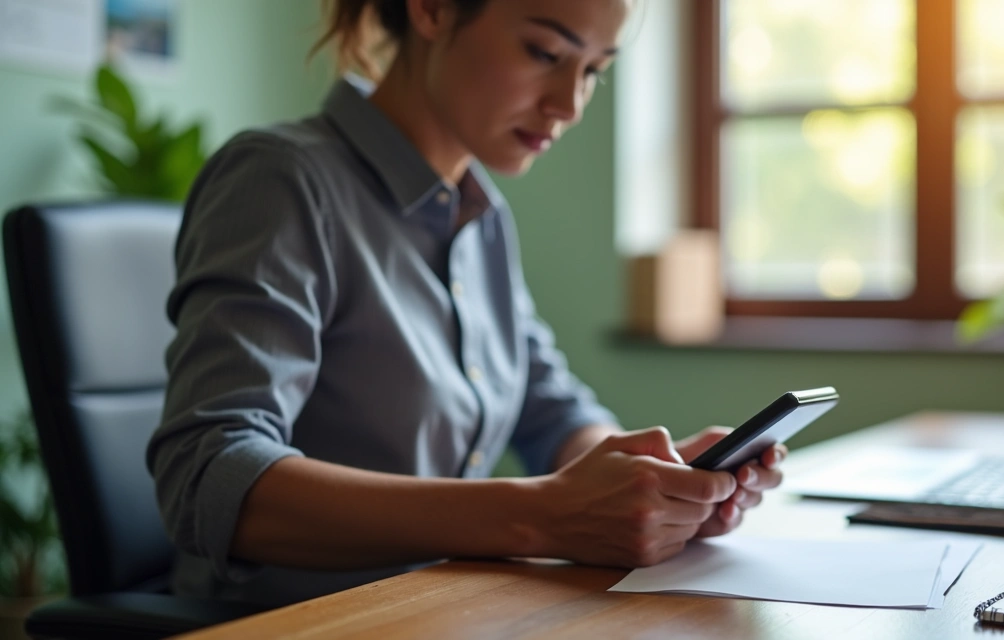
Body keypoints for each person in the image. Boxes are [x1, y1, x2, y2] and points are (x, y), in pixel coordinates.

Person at [146, 0, 786, 607]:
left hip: (443, 609)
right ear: (431, 8)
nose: (570, 104)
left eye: (593, 70)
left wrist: (654, 484)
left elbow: (551, 415)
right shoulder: (282, 180)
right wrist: (541, 517)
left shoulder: (480, 216)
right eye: (543, 52)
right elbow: (207, 476)